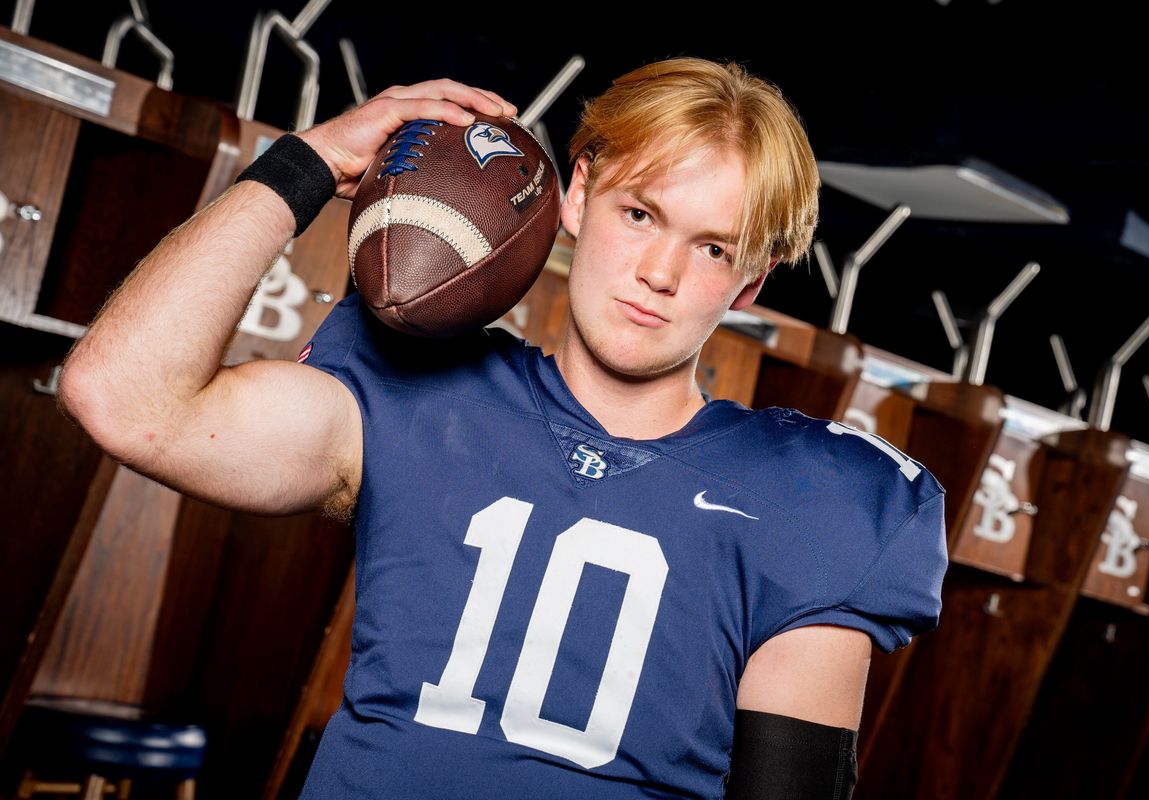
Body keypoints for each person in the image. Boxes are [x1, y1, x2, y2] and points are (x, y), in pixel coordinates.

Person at [59, 58, 947, 799]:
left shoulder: (811, 500)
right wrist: (306, 164)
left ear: (750, 283)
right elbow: (123, 400)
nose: (660, 273)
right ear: (578, 194)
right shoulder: (418, 393)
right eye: (640, 215)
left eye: (713, 247)